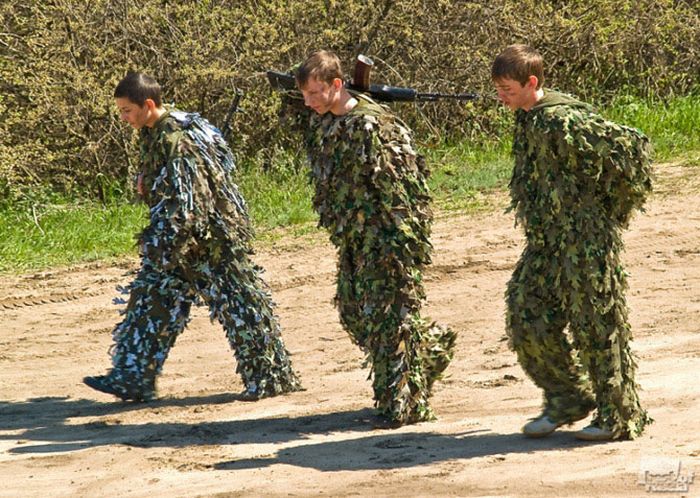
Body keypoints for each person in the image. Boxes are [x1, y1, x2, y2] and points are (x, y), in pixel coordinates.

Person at [83, 72, 301, 402]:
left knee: (241, 308)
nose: (123, 118)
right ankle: (132, 377)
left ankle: (271, 377)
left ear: (148, 105)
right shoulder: (154, 131)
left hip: (208, 240)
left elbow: (190, 198)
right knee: (149, 302)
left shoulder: (176, 137)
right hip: (178, 242)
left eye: (127, 110)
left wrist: (165, 241)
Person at [285, 50, 456, 427]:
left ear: (337, 85)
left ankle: (403, 407)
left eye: (315, 93)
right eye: (304, 96)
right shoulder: (324, 119)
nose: (309, 102)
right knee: (352, 311)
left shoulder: (373, 126)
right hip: (352, 236)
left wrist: (401, 247)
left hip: (386, 237)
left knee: (388, 319)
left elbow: (407, 191)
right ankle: (427, 347)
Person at [492, 44, 653, 440]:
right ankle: (567, 399)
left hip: (586, 243)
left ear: (532, 83)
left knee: (597, 327)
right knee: (525, 313)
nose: (501, 96)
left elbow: (631, 149)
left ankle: (617, 417)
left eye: (507, 88)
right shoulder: (529, 117)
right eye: (498, 88)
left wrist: (610, 215)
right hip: (546, 243)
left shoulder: (562, 120)